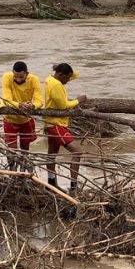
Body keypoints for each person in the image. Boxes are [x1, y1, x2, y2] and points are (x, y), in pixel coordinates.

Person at [44, 63, 87, 194]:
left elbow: (74, 74)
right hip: (56, 124)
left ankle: (51, 184)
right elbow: (63, 105)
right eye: (67, 78)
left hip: (50, 123)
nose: (69, 80)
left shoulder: (51, 79)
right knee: (77, 152)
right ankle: (73, 187)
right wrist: (78, 100)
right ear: (61, 75)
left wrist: (61, 68)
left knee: (52, 154)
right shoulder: (56, 85)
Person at [1, 61, 43, 171]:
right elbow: (7, 100)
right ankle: (12, 170)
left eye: (21, 77)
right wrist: (20, 104)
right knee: (12, 147)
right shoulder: (7, 77)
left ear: (27, 74)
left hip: (26, 119)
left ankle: (23, 170)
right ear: (12, 73)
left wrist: (33, 106)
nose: (18, 79)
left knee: (25, 146)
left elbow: (39, 100)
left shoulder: (34, 79)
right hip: (10, 118)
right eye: (16, 76)